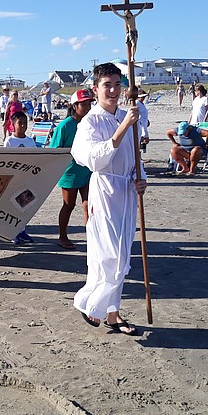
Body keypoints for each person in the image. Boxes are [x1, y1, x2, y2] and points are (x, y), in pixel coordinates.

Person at [70, 63, 146, 335]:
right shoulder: (91, 121)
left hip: (127, 191)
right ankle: (89, 301)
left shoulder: (128, 115)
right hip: (105, 191)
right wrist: (123, 126)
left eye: (117, 84)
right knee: (108, 255)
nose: (113, 90)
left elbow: (135, 154)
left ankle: (113, 313)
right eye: (107, 85)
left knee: (123, 254)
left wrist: (141, 178)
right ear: (96, 89)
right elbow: (93, 159)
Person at [49, 88, 93, 250]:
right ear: (75, 106)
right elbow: (54, 150)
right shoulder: (65, 126)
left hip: (87, 170)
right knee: (69, 205)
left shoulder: (90, 123)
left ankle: (92, 236)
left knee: (89, 204)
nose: (87, 107)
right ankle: (62, 236)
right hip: (70, 172)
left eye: (89, 103)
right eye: (84, 104)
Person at [4, 111, 36, 245]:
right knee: (13, 205)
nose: (22, 126)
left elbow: (36, 158)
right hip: (14, 179)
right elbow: (5, 160)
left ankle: (22, 230)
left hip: (26, 178)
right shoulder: (10, 141)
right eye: (20, 123)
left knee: (25, 205)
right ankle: (12, 232)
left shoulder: (30, 141)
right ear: (13, 124)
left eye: (25, 123)